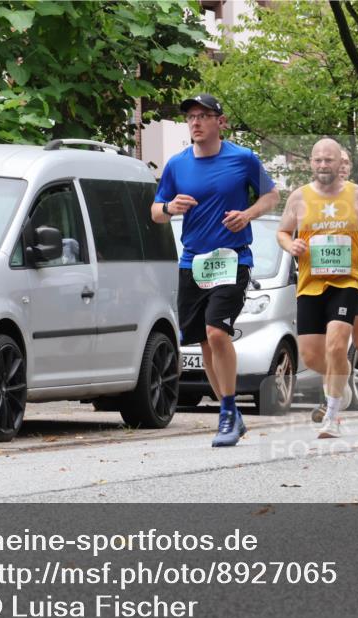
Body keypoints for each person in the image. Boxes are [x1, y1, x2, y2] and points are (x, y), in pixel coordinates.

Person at [152, 94, 280, 447]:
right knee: (205, 341)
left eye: (203, 116)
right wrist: (170, 207)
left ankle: (226, 411)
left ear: (220, 122)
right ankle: (231, 413)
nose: (195, 122)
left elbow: (271, 196)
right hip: (193, 262)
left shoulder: (242, 158)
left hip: (233, 259)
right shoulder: (177, 165)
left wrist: (248, 215)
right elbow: (155, 212)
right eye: (190, 117)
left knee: (217, 332)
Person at [278, 138, 358, 438]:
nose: (323, 165)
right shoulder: (298, 197)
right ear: (311, 163)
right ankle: (340, 376)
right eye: (318, 160)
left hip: (345, 281)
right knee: (311, 356)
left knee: (337, 346)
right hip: (309, 283)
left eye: (329, 160)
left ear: (340, 163)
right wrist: (291, 245)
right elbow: (283, 232)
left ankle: (332, 416)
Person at [309, 149, 358, 424]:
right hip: (324, 276)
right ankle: (328, 401)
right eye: (337, 162)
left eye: (345, 162)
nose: (341, 166)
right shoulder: (314, 196)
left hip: (357, 274)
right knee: (333, 344)